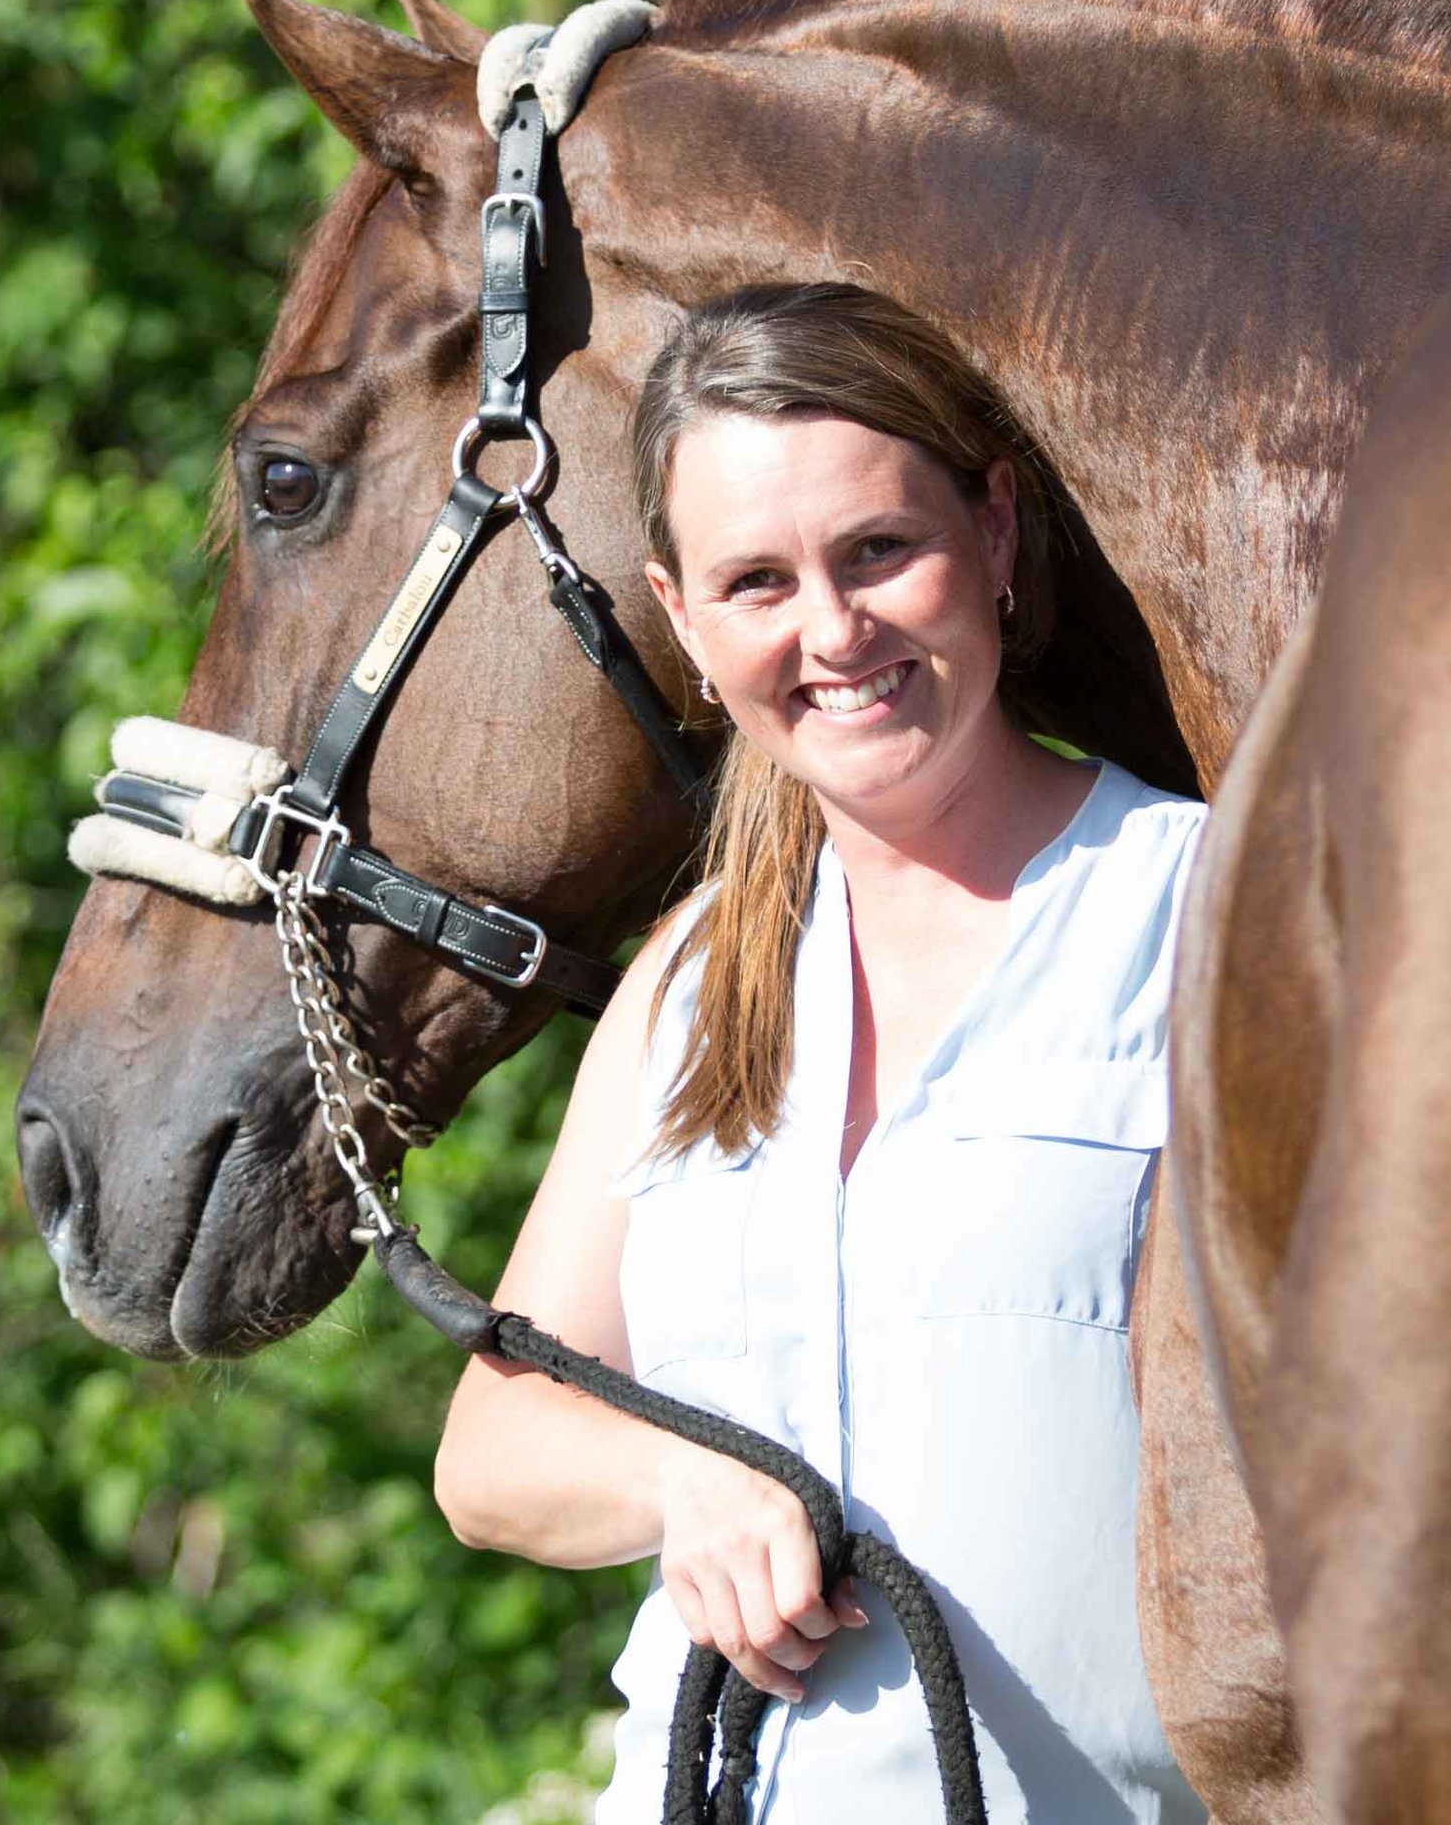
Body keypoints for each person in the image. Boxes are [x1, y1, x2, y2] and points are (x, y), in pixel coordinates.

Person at [433, 281, 1209, 1824]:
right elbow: (490, 1448)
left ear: (992, 537)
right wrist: (678, 1483)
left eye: (879, 553)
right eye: (757, 583)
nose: (833, 633)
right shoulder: (691, 981)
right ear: (681, 616)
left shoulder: (1207, 911)